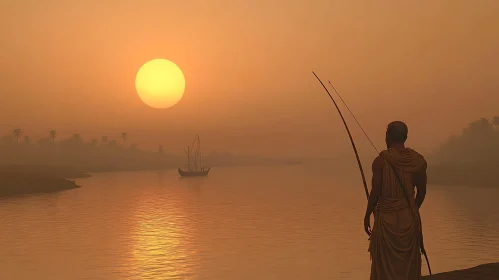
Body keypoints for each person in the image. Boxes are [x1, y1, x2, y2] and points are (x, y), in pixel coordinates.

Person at [364, 121, 428, 280]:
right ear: (405, 137)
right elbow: (422, 192)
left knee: (385, 269)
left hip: (386, 222)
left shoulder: (380, 162)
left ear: (388, 137)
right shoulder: (418, 162)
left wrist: (367, 216)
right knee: (408, 266)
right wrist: (411, 209)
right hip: (409, 219)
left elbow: (375, 193)